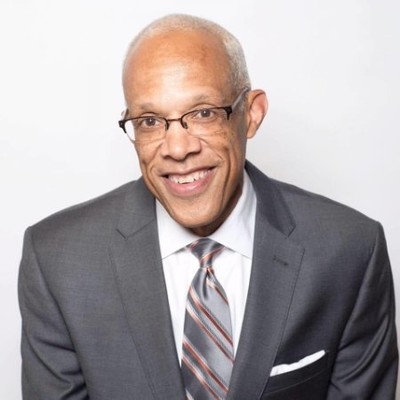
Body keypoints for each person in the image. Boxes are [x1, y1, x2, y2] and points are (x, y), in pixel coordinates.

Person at [18, 13, 398, 400]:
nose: (178, 149)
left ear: (251, 114)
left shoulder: (351, 251)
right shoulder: (57, 262)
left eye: (203, 113)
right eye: (149, 121)